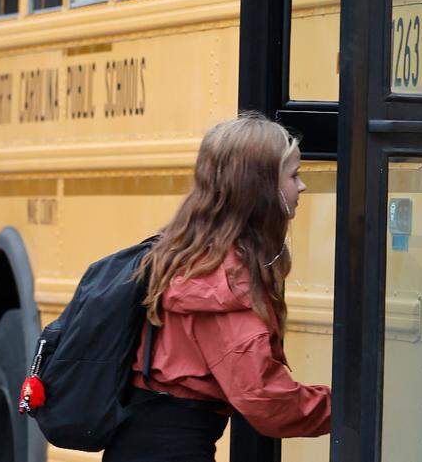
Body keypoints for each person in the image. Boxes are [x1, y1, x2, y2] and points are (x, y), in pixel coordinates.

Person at [103, 113, 331, 462]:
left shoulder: (196, 252)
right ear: (259, 187)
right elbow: (264, 398)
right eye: (294, 176)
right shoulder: (221, 278)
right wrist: (348, 406)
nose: (301, 187)